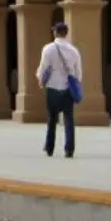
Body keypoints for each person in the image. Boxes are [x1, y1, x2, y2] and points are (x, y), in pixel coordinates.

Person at [37, 21, 82, 158]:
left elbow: (43, 68)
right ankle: (69, 149)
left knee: (52, 119)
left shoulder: (48, 49)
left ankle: (49, 147)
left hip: (52, 87)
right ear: (66, 33)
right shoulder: (74, 51)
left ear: (56, 32)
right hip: (67, 88)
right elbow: (78, 72)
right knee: (69, 119)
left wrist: (40, 79)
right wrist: (76, 84)